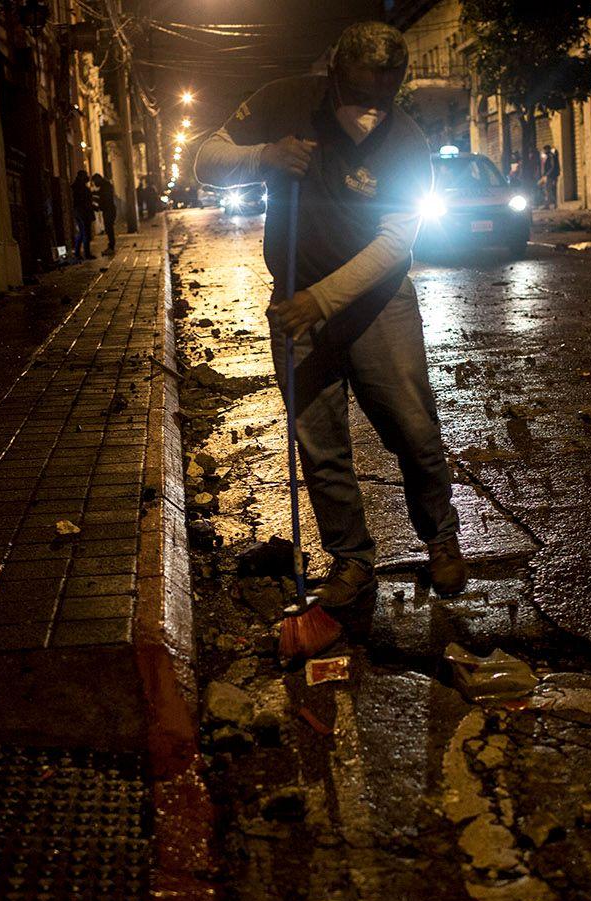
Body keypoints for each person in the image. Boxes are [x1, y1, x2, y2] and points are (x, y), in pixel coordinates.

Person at [194, 20, 467, 618]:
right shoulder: (285, 100)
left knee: (414, 431)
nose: (374, 109)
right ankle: (352, 562)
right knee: (321, 447)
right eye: (363, 92)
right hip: (294, 301)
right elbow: (204, 160)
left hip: (377, 305)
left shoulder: (407, 143)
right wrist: (263, 156)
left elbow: (396, 242)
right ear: (335, 72)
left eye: (387, 94)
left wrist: (322, 300)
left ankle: (441, 537)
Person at [70, 170, 95, 259]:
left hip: (80, 211)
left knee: (81, 232)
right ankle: (86, 254)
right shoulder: (79, 187)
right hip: (82, 212)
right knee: (85, 233)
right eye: (85, 176)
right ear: (81, 177)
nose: (87, 178)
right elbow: (85, 201)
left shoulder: (77, 186)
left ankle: (78, 253)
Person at [92, 173, 117, 254]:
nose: (94, 184)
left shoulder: (105, 187)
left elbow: (104, 199)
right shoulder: (105, 186)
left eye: (94, 181)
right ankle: (111, 246)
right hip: (109, 209)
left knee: (109, 228)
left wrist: (98, 206)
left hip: (108, 210)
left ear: (98, 179)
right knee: (109, 228)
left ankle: (111, 247)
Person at [540, 143, 561, 208]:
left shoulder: (551, 156)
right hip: (550, 175)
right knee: (549, 190)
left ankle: (548, 205)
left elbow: (553, 166)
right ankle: (552, 204)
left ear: (547, 149)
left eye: (544, 150)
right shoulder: (549, 156)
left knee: (548, 190)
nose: (543, 152)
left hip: (550, 176)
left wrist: (547, 174)